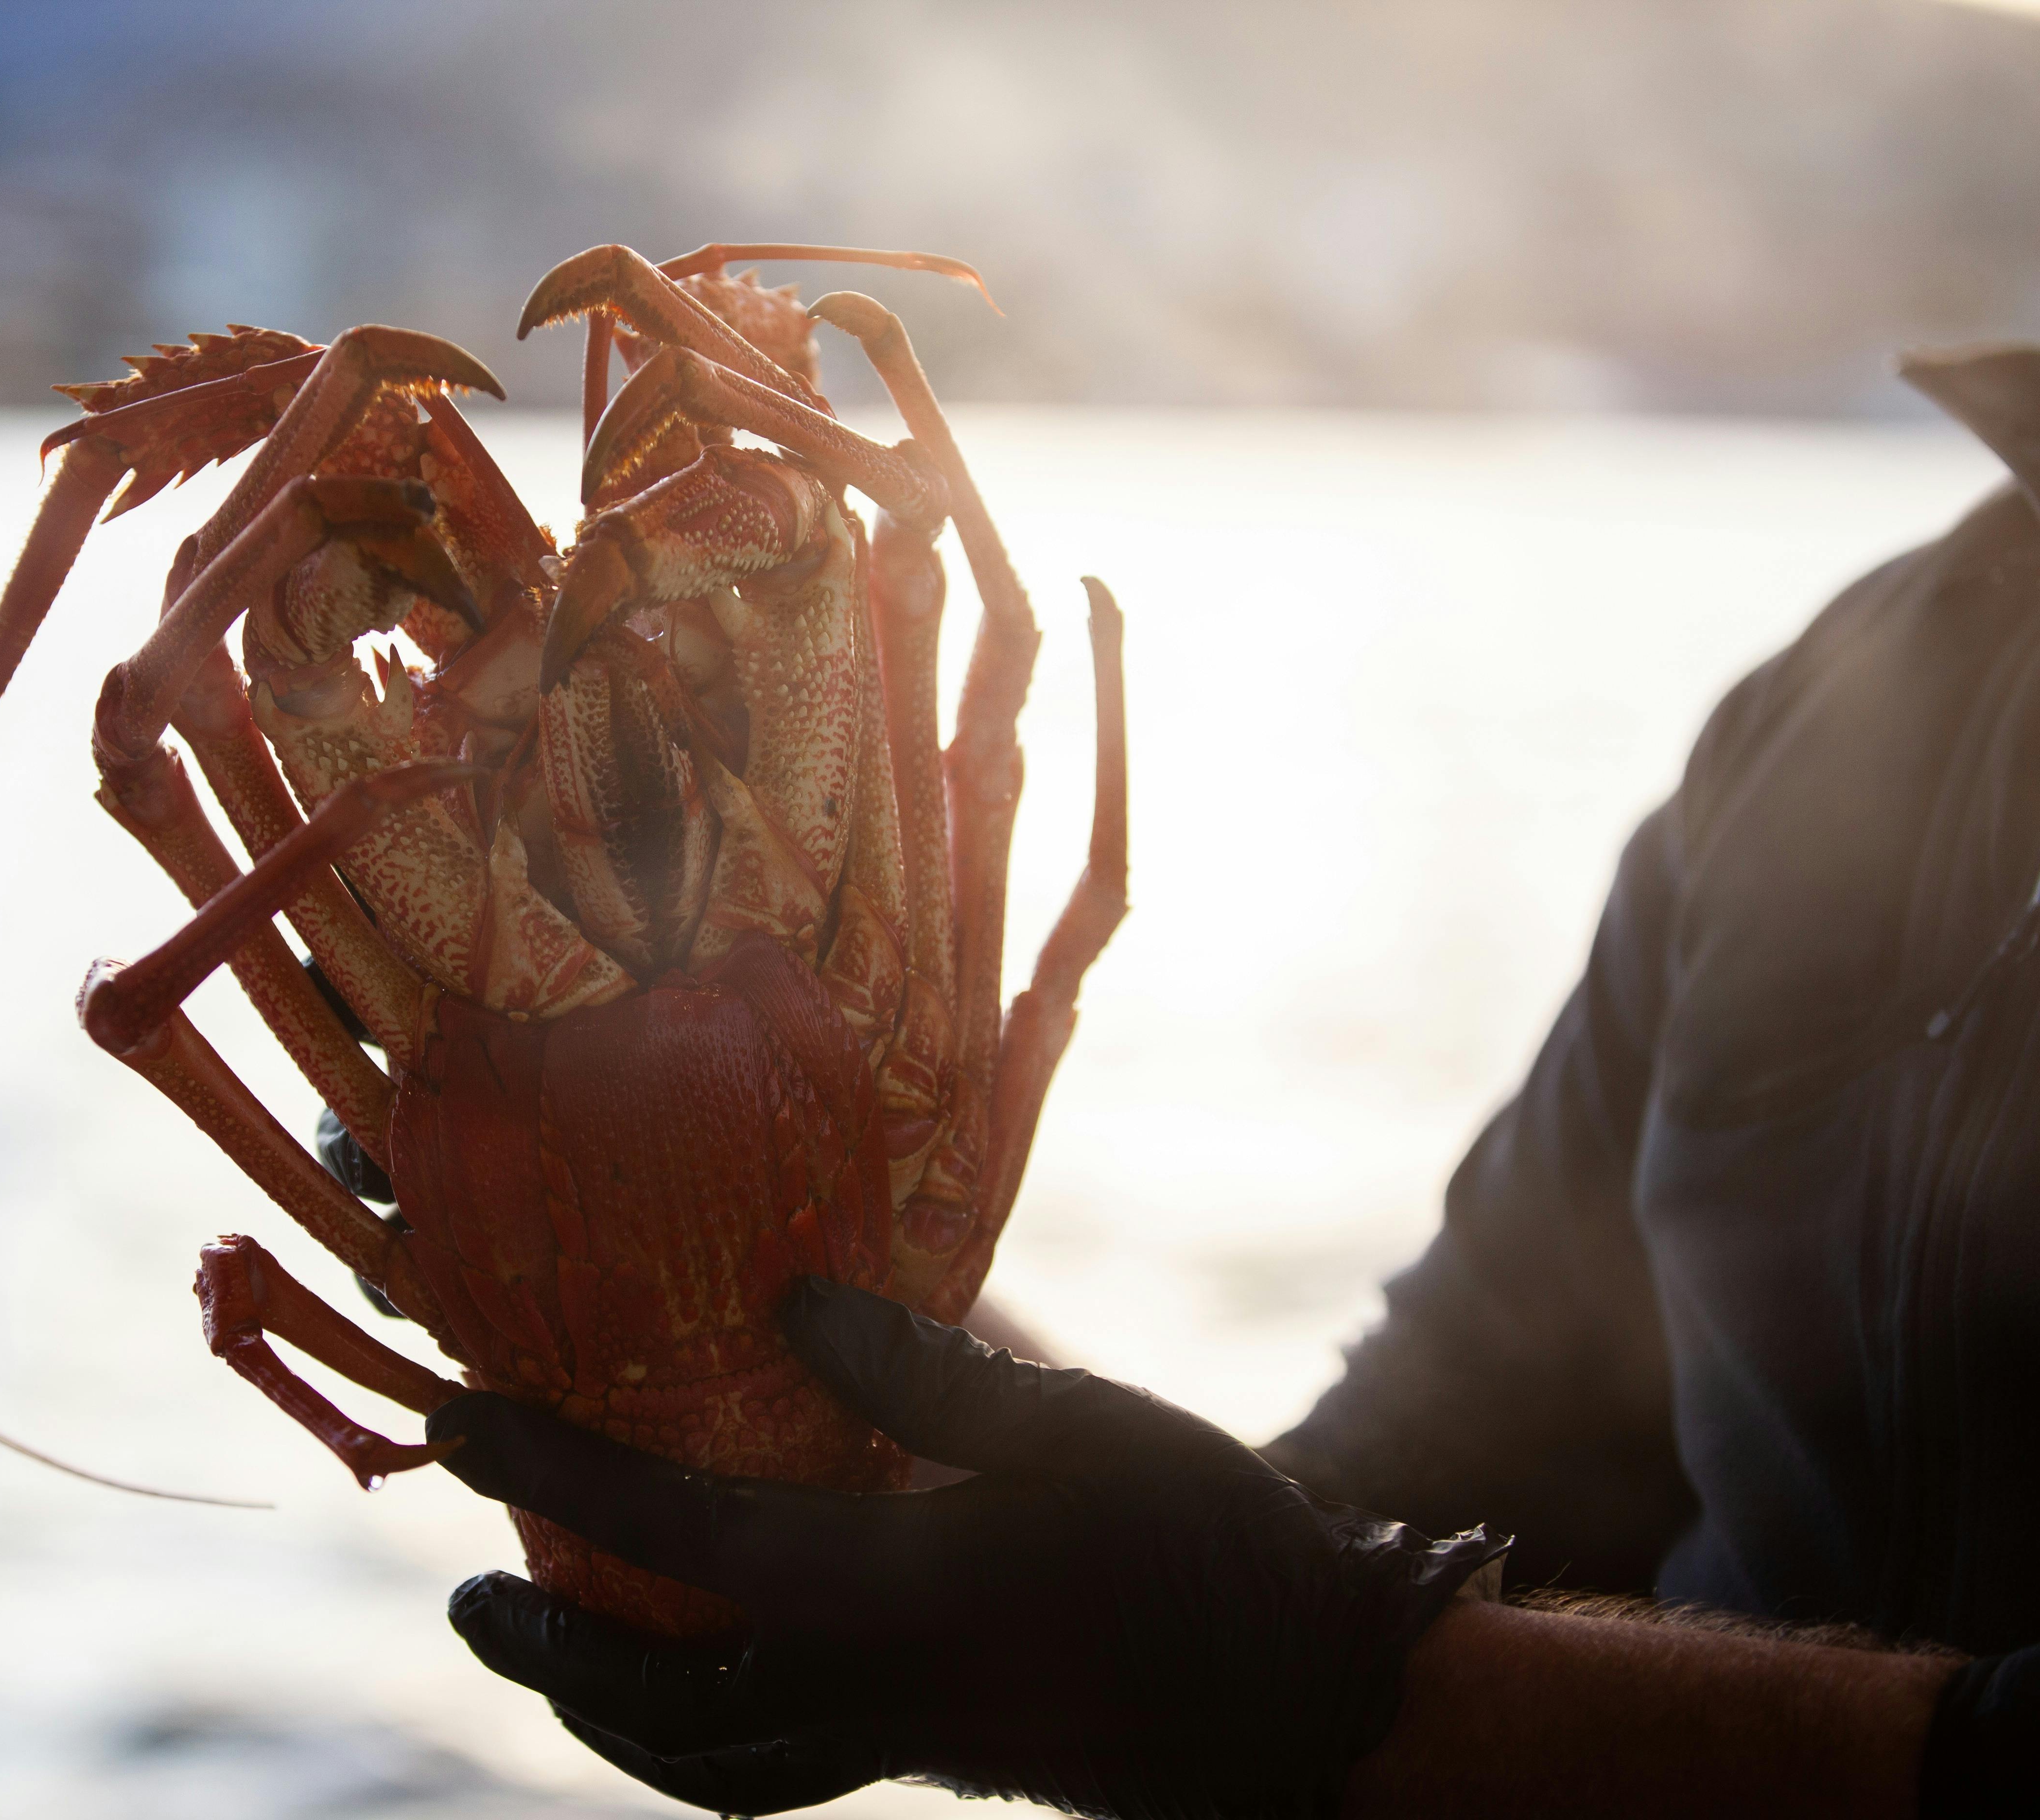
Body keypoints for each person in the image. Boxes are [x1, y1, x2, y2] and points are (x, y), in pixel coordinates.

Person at [419, 345, 2040, 1817]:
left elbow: (1319, 1651)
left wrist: (1336, 1680)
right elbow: (1451, 1442)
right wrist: (860, 1343)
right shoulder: (1841, 708)